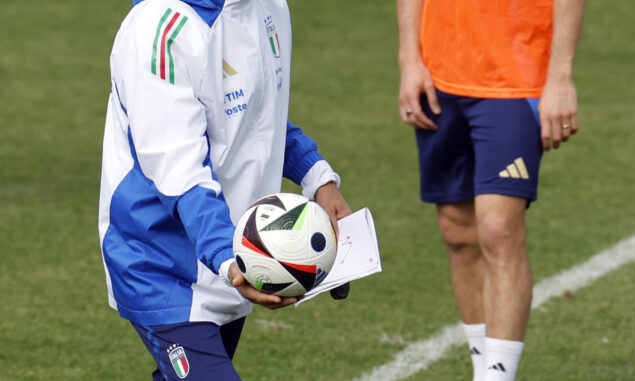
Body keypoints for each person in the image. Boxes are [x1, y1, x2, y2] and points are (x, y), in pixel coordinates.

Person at [98, 0, 351, 379]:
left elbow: (261, 118)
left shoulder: (267, 7)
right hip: (162, 263)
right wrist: (232, 262)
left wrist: (319, 178)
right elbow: (181, 174)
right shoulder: (158, 31)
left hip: (236, 254)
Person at [397, 1, 586, 380]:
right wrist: (409, 60)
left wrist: (561, 75)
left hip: (517, 75)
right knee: (457, 232)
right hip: (440, 72)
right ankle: (482, 370)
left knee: (499, 230)